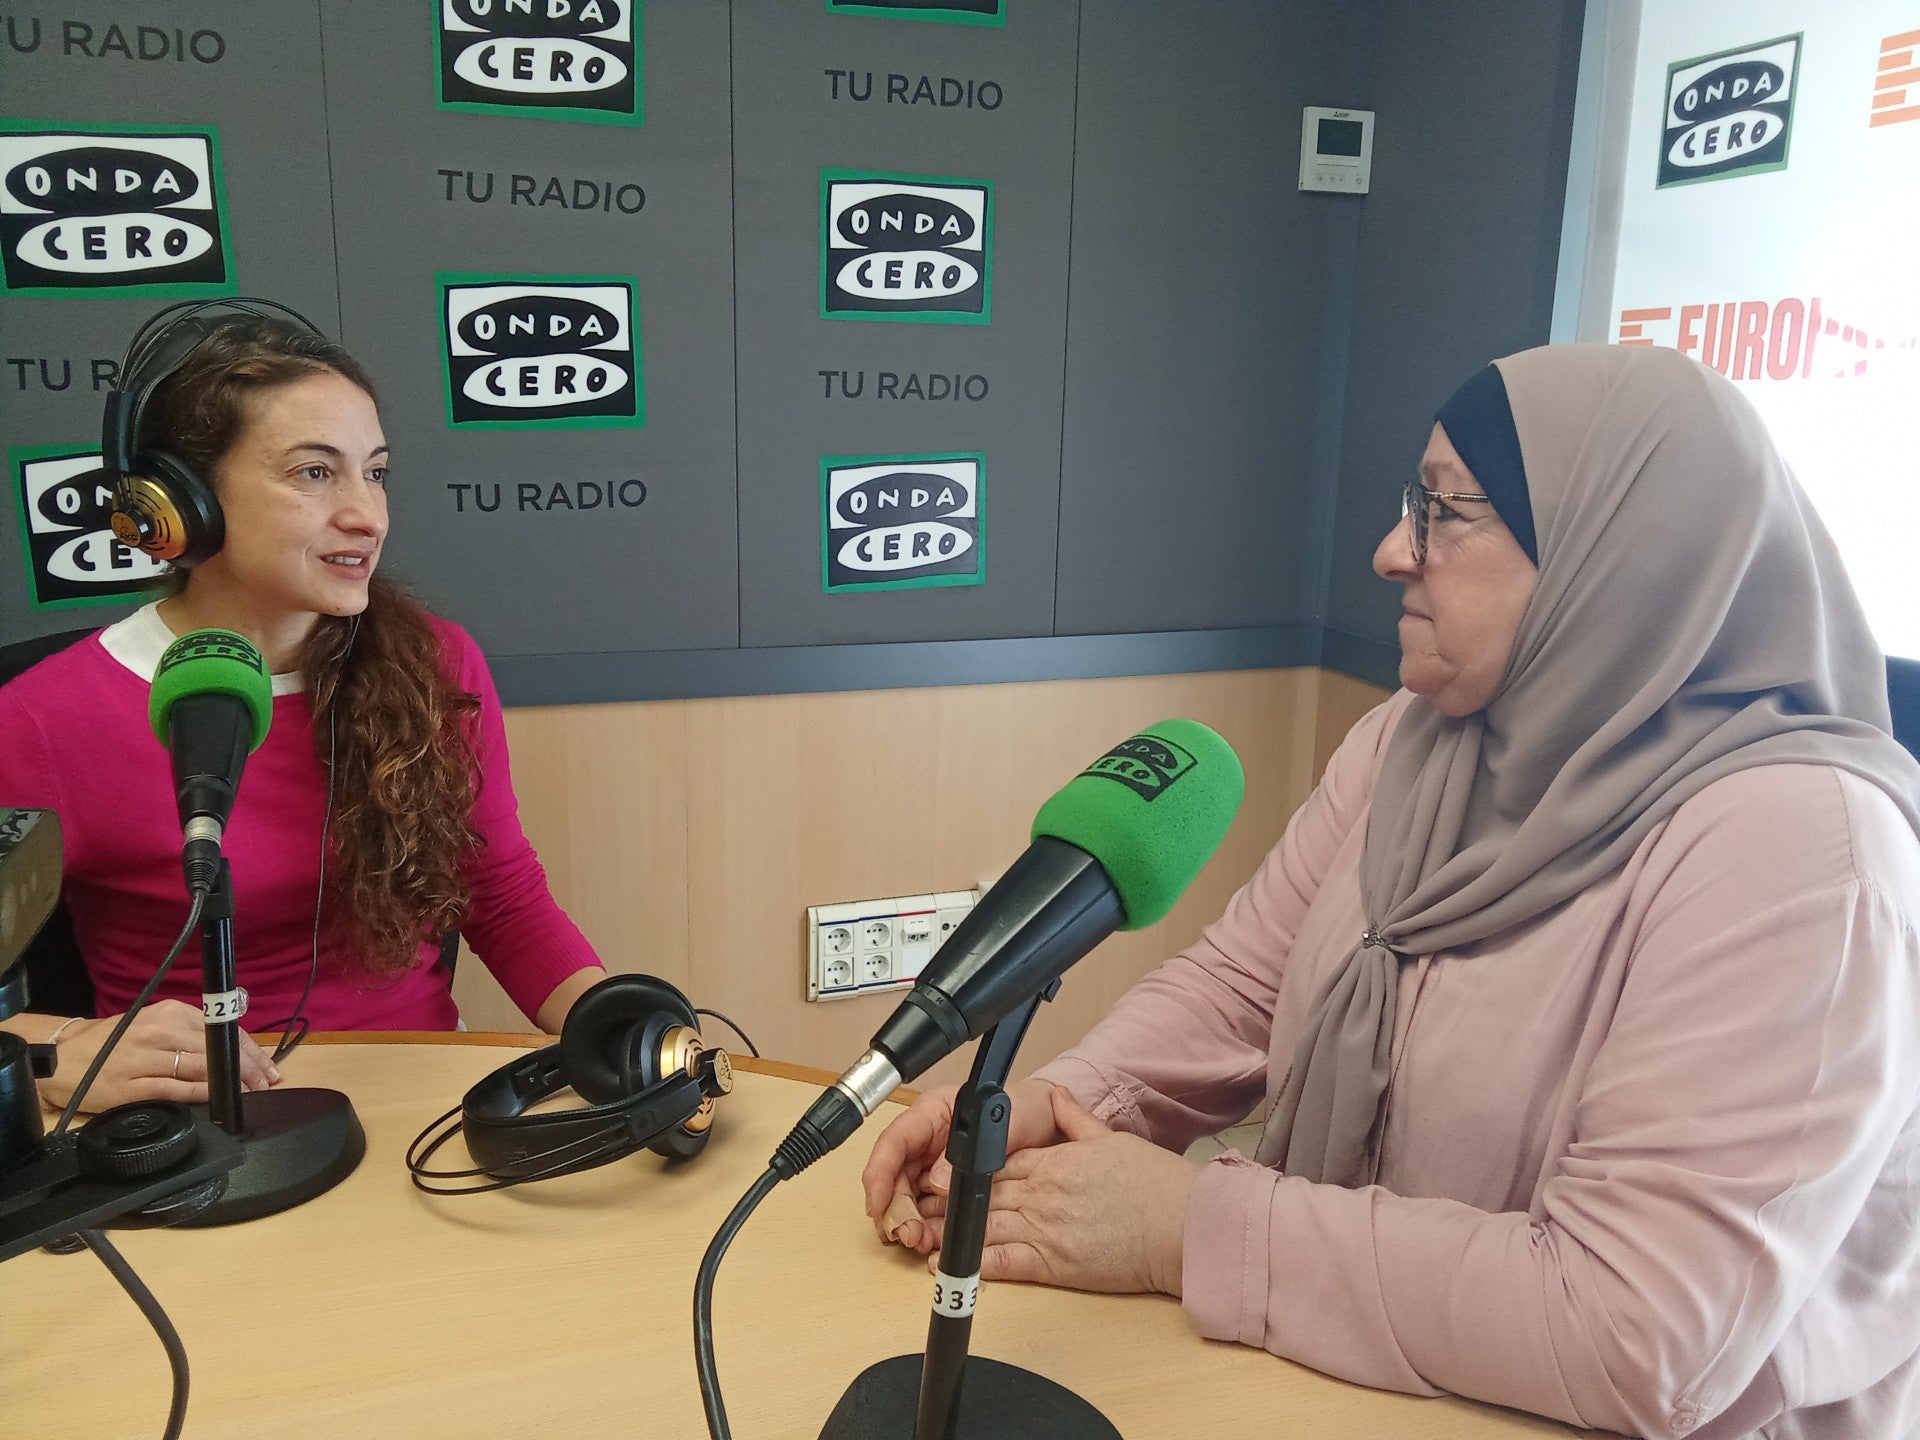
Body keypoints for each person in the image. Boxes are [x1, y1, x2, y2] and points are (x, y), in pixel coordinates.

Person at [862, 344, 1920, 1439]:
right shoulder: (1414, 743)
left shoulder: (1804, 853)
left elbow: (1635, 1331)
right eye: (1408, 502)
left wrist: (1189, 1231)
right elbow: (1243, 992)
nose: (1387, 552)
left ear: (1618, 557)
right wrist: (1055, 1109)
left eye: (1445, 514)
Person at [0, 309, 607, 1113]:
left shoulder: (435, 664)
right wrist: (55, 1049)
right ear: (184, 500)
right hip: (199, 1129)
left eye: (376, 472)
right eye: (314, 473)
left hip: (421, 1108)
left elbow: (497, 891)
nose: (368, 514)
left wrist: (619, 1027)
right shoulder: (44, 719)